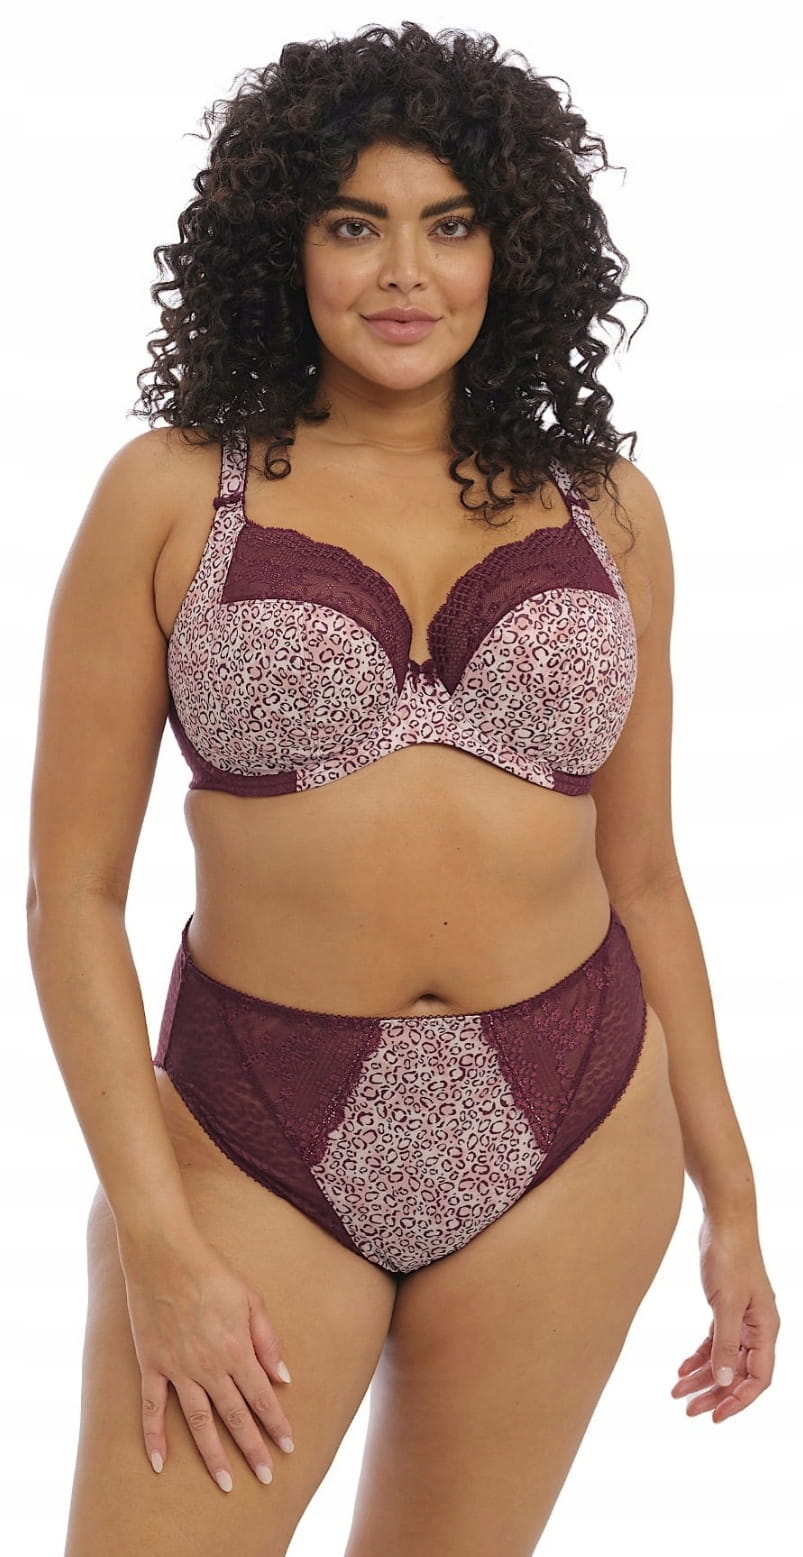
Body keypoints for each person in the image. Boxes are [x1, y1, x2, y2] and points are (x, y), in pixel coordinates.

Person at [26, 20, 779, 1557]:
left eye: (451, 225)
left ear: (511, 249)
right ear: (285, 244)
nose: (404, 273)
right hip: (249, 1133)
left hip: (575, 1124)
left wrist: (737, 1201)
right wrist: (156, 1241)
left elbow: (646, 874)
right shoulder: (172, 491)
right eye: (354, 224)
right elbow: (72, 895)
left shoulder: (611, 511)